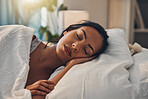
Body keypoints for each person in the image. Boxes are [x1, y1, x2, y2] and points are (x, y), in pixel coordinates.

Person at [25, 20, 109, 99]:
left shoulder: (60, 76)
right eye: (78, 36)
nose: (76, 46)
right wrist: (24, 93)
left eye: (86, 50)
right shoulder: (23, 38)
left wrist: (72, 64)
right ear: (68, 30)